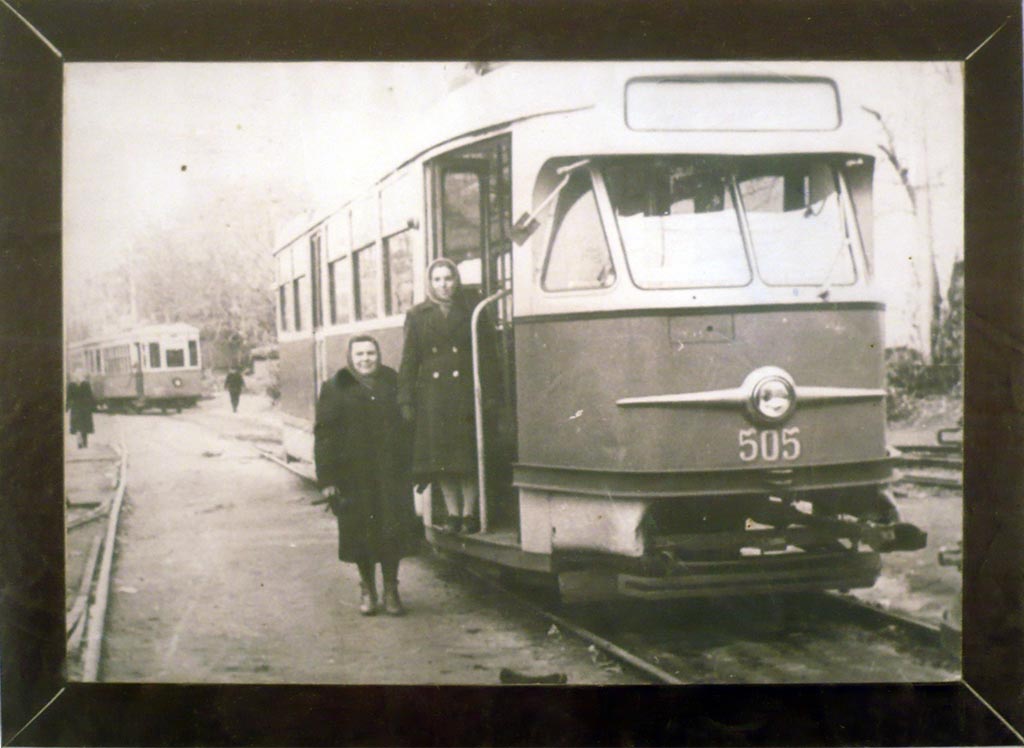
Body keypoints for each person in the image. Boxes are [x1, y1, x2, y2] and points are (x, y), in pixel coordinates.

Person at [314, 335, 419, 616]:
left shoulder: (393, 381)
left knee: (392, 530)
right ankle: (367, 589)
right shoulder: (335, 387)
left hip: (390, 473)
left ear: (379, 354)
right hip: (353, 477)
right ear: (351, 357)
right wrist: (328, 480)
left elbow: (409, 427)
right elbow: (324, 436)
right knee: (360, 534)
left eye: (370, 353)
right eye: (359, 354)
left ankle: (391, 590)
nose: (365, 359)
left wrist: (413, 465)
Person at [398, 257, 484, 535]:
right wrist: (406, 398)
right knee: (443, 459)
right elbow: (409, 360)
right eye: (437, 279)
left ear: (456, 281)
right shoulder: (417, 315)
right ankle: (453, 513)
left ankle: (470, 513)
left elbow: (488, 356)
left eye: (448, 278)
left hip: (466, 393)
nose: (443, 285)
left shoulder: (473, 311)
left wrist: (491, 394)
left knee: (466, 456)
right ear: (430, 283)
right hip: (433, 396)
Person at [67, 368, 96, 449]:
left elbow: (69, 398)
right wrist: (94, 406)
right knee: (84, 426)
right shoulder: (86, 384)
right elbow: (90, 396)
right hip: (85, 408)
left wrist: (67, 407)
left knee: (78, 426)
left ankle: (79, 442)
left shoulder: (71, 385)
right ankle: (85, 443)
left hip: (76, 408)